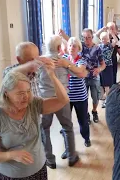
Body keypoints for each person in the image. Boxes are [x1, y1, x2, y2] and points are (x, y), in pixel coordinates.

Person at [0, 60, 70, 179]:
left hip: (39, 170)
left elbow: (63, 100)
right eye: (20, 93)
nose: (26, 97)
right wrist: (11, 155)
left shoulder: (34, 105)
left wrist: (52, 75)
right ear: (6, 93)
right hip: (11, 176)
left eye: (28, 91)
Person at [39, 35, 88, 169]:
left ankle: (49, 159)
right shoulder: (63, 60)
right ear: (60, 47)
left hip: (44, 101)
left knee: (44, 129)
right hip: (62, 100)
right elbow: (80, 74)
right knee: (67, 127)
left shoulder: (40, 61)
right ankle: (72, 156)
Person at [56, 37, 92, 148]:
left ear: (78, 48)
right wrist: (73, 68)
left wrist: (67, 66)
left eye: (74, 46)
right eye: (70, 45)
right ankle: (66, 137)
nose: (72, 48)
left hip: (80, 96)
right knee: (66, 119)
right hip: (66, 96)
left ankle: (86, 138)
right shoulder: (64, 57)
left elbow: (81, 72)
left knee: (83, 120)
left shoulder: (82, 59)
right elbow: (77, 71)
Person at [81, 28, 106, 123]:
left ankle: (94, 111)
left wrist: (99, 69)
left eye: (89, 37)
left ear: (92, 37)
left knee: (95, 98)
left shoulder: (97, 48)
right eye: (84, 38)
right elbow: (70, 43)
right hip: (83, 77)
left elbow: (103, 64)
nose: (87, 40)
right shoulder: (80, 47)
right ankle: (86, 114)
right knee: (83, 98)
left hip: (94, 77)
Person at [98, 31, 117, 108]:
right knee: (101, 83)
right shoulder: (99, 46)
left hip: (107, 67)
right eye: (102, 39)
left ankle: (108, 100)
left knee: (107, 85)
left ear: (108, 39)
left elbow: (115, 40)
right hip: (100, 67)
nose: (103, 40)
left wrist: (112, 32)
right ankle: (103, 97)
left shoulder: (110, 46)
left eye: (105, 39)